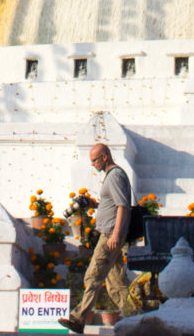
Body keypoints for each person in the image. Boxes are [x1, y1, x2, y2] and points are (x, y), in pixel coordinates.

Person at [62, 142, 134, 332]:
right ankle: (137, 317)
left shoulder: (115, 176)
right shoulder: (113, 176)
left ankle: (79, 317)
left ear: (105, 157)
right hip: (111, 234)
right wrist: (95, 205)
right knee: (116, 284)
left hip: (110, 235)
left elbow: (122, 206)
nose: (93, 164)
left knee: (92, 276)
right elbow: (113, 204)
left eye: (95, 160)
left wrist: (116, 235)